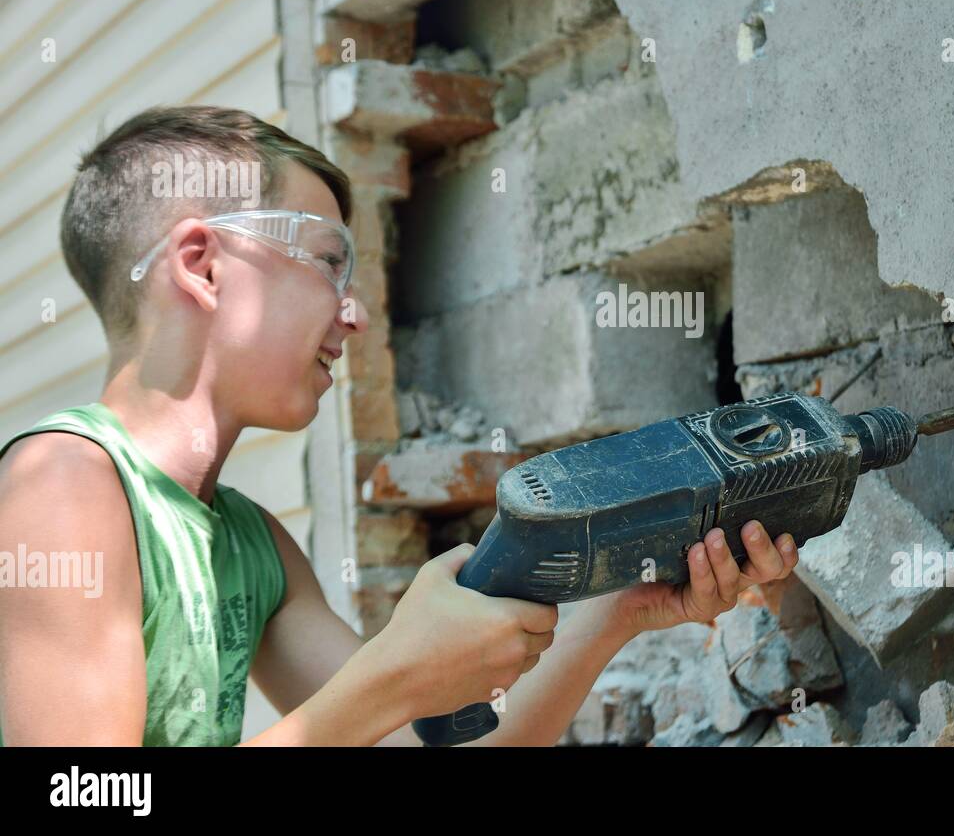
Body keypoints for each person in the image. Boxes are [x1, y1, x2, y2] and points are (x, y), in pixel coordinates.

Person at [0, 105, 800, 746]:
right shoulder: (61, 483)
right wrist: (391, 677)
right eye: (325, 260)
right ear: (204, 266)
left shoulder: (252, 543)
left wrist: (620, 608)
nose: (355, 313)